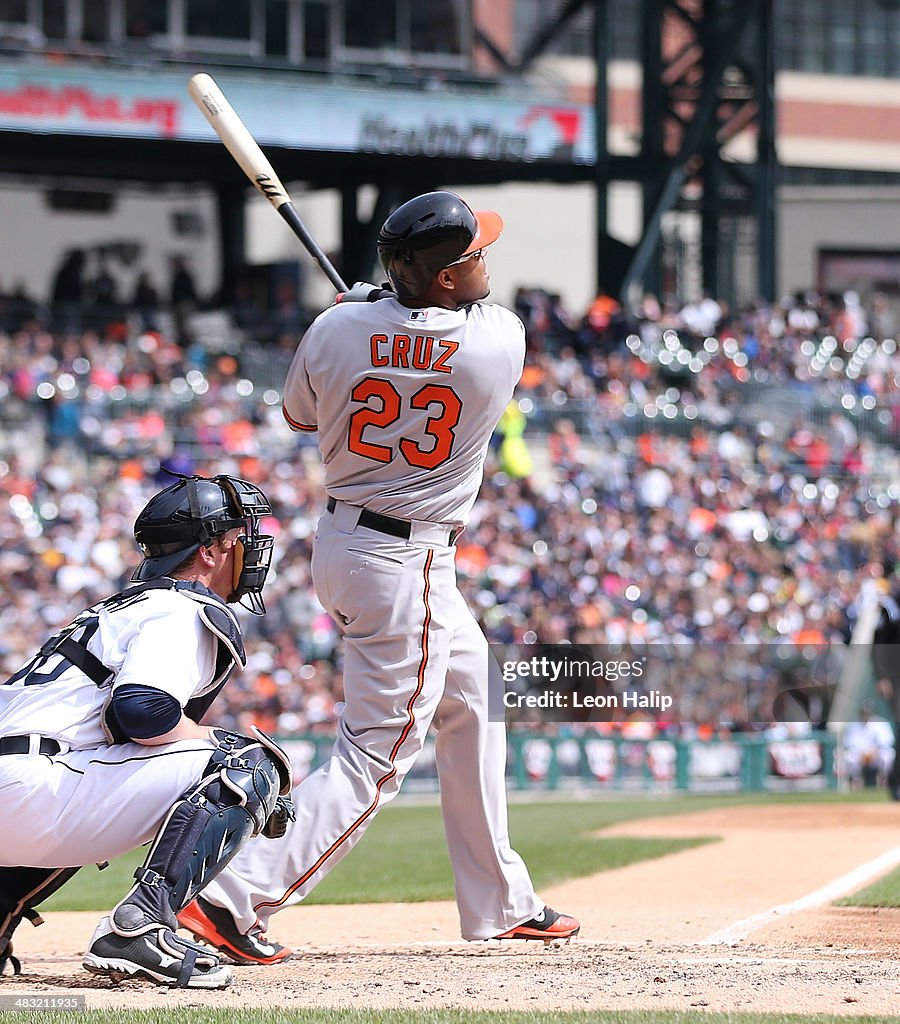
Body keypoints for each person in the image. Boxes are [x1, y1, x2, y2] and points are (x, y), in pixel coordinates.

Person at [178, 191, 580, 963]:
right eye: (472, 258)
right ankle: (232, 898)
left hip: (346, 544)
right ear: (442, 278)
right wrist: (379, 313)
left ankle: (502, 900)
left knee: (473, 700)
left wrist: (365, 315)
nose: (485, 265)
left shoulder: (336, 327)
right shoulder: (497, 342)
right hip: (409, 563)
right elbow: (423, 328)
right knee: (375, 755)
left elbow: (302, 415)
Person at [0, 473, 293, 989]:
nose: (251, 548)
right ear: (209, 551)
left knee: (93, 769)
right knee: (246, 763)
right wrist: (227, 757)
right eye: (239, 538)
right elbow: (141, 711)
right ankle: (141, 925)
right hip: (31, 786)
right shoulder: (182, 607)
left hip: (25, 781)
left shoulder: (117, 607)